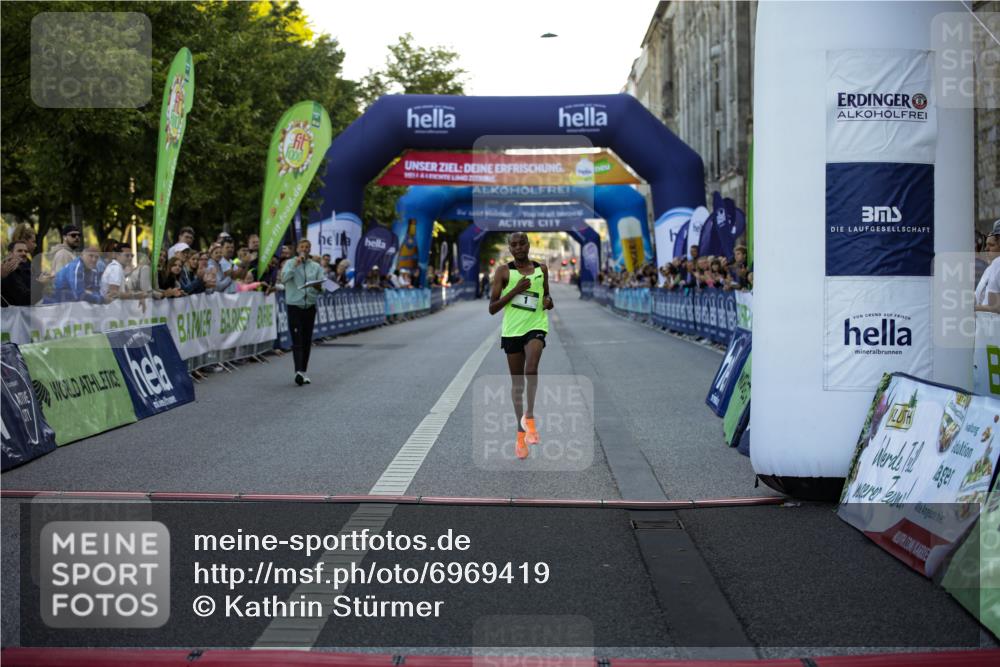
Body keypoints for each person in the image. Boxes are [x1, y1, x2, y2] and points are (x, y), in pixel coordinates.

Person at [488, 232, 554, 460]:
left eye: (521, 243)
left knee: (531, 369)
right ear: (509, 248)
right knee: (517, 383)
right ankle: (520, 433)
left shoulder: (542, 269)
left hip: (536, 325)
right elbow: (492, 307)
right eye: (513, 244)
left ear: (528, 244)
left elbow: (547, 297)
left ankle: (531, 418)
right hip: (512, 331)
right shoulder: (504, 272)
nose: (518, 247)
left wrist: (548, 302)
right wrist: (514, 291)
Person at [280, 238, 324, 385]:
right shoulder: (290, 263)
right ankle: (298, 371)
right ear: (297, 249)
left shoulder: (316, 266)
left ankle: (303, 371)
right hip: (294, 305)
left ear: (310, 250)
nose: (304, 249)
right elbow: (284, 279)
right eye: (302, 247)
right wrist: (295, 265)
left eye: (307, 247)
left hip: (309, 306)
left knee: (306, 340)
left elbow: (322, 287)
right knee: (297, 339)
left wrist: (317, 286)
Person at [1, 240, 33, 306]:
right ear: (10, 254)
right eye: (19, 251)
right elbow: (24, 299)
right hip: (12, 314)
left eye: (26, 251)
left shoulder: (28, 269)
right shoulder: (7, 271)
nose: (24, 253)